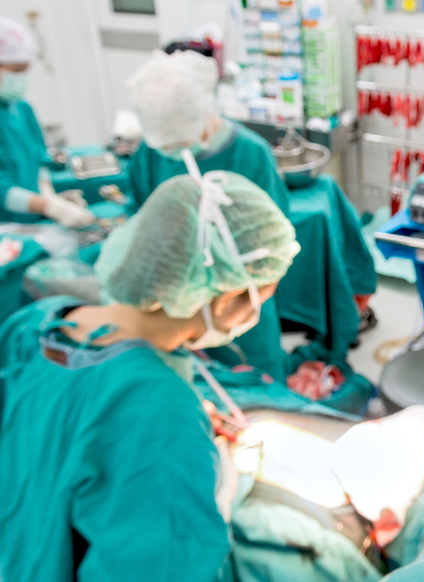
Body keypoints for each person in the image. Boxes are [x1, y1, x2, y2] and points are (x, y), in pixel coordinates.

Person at [0, 170, 299, 581]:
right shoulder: (158, 413)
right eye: (259, 299)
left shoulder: (35, 321)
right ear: (227, 299)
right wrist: (219, 494)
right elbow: (167, 564)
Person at [126, 49, 289, 218]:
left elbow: (274, 224)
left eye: (181, 142)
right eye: (165, 146)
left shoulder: (251, 154)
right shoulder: (150, 152)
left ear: (202, 112)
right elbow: (139, 215)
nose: (171, 150)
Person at [0, 17, 94, 227]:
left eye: (25, 69)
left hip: (30, 218)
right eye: (16, 69)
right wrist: (49, 207)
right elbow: (1, 190)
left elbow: (39, 158)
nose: (21, 77)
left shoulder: (22, 108)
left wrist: (47, 196)